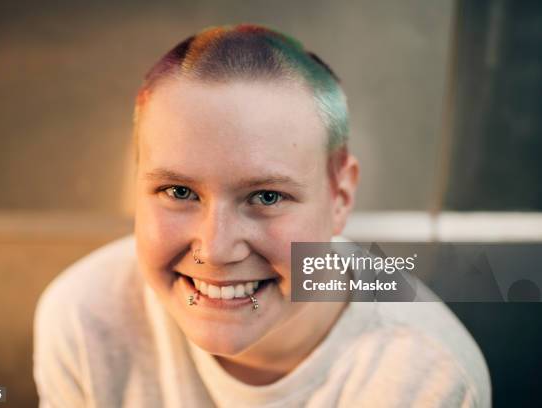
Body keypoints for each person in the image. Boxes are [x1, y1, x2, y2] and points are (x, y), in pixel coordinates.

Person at [33, 24, 491, 407]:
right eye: (178, 191)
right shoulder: (85, 319)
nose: (215, 248)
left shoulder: (425, 378)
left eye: (267, 197)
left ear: (340, 197)